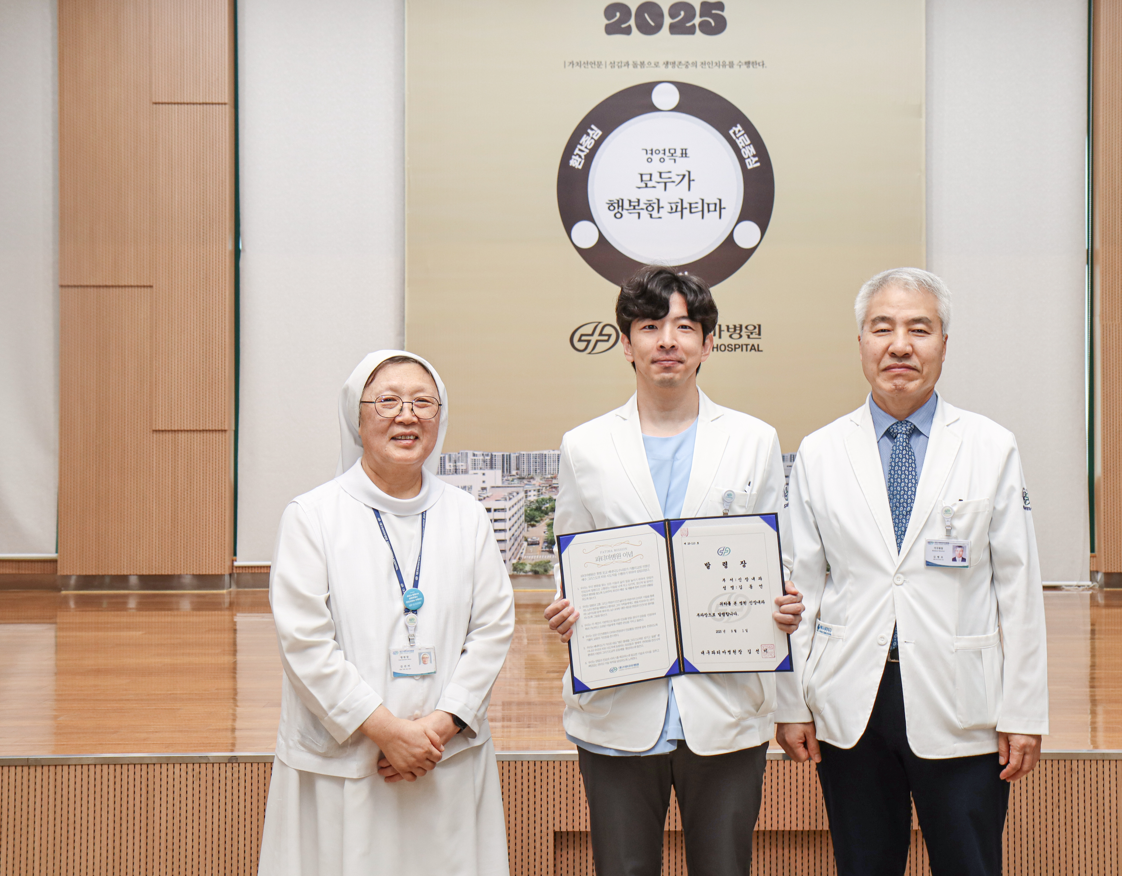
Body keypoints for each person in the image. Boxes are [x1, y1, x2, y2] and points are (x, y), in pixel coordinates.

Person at [775, 269, 1049, 876]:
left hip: (964, 702)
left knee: (969, 864)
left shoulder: (990, 446)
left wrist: (1024, 712)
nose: (900, 346)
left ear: (944, 344)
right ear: (861, 343)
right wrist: (790, 702)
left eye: (918, 330)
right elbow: (801, 588)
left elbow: (1019, 589)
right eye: (883, 329)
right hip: (851, 703)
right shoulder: (820, 451)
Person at [543, 266, 804, 876]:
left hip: (725, 706)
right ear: (626, 343)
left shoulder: (753, 440)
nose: (667, 341)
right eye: (649, 326)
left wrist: (785, 602)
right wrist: (565, 605)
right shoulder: (585, 445)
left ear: (708, 344)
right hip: (618, 703)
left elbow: (780, 562)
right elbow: (569, 559)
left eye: (685, 327)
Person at [258, 350, 515, 875]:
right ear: (356, 417)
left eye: (423, 402)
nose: (407, 416)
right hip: (347, 762)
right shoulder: (313, 516)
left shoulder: (467, 515)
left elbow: (492, 628)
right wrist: (387, 731)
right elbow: (305, 644)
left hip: (444, 757)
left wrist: (441, 724)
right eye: (388, 401)